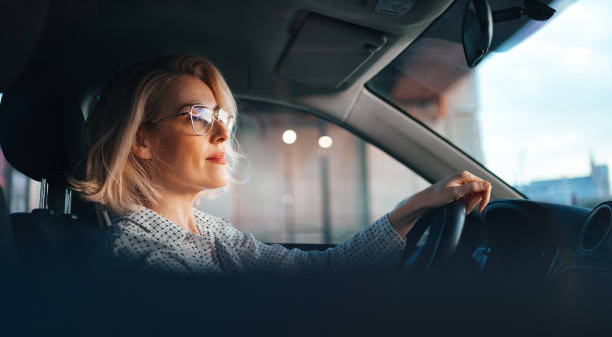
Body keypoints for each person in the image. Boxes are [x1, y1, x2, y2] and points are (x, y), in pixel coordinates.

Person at [71, 54, 491, 275]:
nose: (221, 134)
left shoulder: (211, 233)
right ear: (141, 139)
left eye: (222, 118)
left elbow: (321, 271)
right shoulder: (138, 255)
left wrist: (417, 207)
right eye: (198, 116)